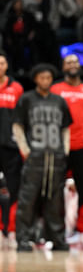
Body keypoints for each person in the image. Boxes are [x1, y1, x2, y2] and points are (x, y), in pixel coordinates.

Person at [12, 64, 72, 252]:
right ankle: (24, 238)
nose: (45, 81)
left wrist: (65, 150)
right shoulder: (27, 99)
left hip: (55, 156)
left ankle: (57, 238)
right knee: (27, 199)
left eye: (48, 77)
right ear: (36, 79)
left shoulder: (59, 101)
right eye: (42, 77)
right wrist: (25, 149)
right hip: (35, 156)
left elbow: (66, 128)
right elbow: (18, 125)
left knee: (55, 200)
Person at [51, 54, 83, 249]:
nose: (72, 65)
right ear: (63, 67)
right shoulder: (55, 90)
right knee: (55, 191)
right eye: (68, 62)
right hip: (59, 147)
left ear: (79, 66)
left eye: (75, 62)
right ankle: (57, 233)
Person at [0, 51, 23, 249]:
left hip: (11, 148)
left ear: (7, 65)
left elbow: (22, 120)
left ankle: (12, 230)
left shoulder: (16, 88)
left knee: (14, 190)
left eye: (1, 63)